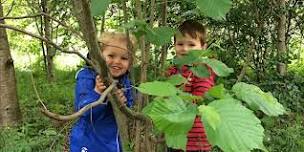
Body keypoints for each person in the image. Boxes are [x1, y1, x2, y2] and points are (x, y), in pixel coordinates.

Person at [70, 32, 135, 152]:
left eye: (124, 58)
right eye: (111, 56)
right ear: (99, 56)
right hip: (88, 141)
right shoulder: (87, 76)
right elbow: (84, 111)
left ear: (130, 63)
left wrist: (123, 103)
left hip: (112, 142)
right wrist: (97, 92)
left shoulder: (125, 80)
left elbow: (130, 109)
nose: (117, 61)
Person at [167, 20, 216, 152]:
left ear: (203, 47)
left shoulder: (203, 70)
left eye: (191, 44)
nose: (185, 49)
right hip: (177, 134)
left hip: (197, 138)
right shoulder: (173, 71)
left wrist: (179, 98)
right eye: (180, 44)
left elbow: (201, 100)